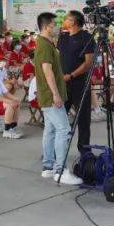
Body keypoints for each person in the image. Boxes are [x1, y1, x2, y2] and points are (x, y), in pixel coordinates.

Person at [35, 13, 82, 184]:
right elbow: (47, 70)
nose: (57, 27)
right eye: (54, 24)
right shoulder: (44, 45)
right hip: (50, 96)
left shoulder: (46, 43)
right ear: (47, 26)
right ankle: (60, 171)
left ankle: (48, 167)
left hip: (49, 95)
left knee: (51, 130)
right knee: (64, 130)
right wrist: (55, 94)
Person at [57, 10, 97, 152]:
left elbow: (88, 63)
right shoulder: (62, 37)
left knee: (83, 120)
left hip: (80, 84)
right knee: (58, 119)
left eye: (66, 19)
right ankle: (56, 151)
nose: (63, 21)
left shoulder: (86, 38)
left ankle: (84, 150)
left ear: (72, 22)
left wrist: (72, 75)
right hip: (62, 84)